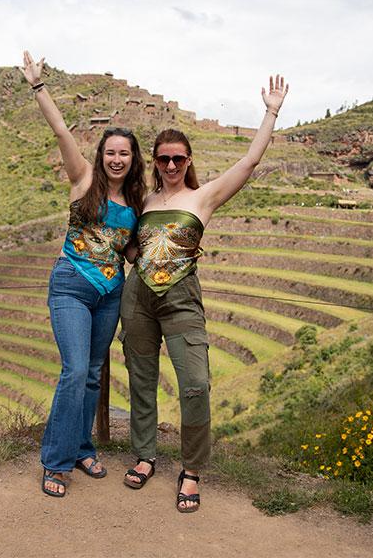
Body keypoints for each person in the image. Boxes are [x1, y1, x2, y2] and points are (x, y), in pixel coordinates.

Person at [120, 75, 289, 512]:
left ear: (188, 160)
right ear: (155, 162)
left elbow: (249, 162)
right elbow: (129, 242)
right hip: (138, 297)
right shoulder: (144, 202)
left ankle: (191, 470)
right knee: (141, 379)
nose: (170, 165)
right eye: (163, 159)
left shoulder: (203, 197)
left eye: (178, 158)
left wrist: (271, 111)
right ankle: (144, 456)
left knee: (195, 384)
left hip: (181, 299)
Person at [21, 51, 146, 498]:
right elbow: (60, 130)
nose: (117, 159)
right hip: (72, 286)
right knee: (74, 371)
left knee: (92, 373)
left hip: (109, 294)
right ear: (102, 154)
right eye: (111, 152)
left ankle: (81, 448)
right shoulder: (83, 178)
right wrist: (39, 86)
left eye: (124, 153)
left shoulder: (135, 201)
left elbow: (129, 249)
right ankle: (55, 463)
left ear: (133, 158)